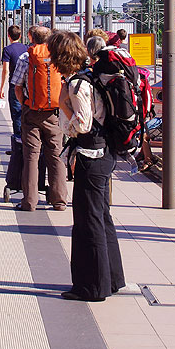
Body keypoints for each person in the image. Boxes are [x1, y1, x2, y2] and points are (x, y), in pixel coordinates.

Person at [56, 33, 125, 301]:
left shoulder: (76, 84)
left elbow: (82, 124)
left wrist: (64, 111)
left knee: (88, 221)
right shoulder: (89, 75)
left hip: (91, 154)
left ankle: (91, 287)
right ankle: (112, 279)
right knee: (102, 216)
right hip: (103, 152)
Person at [13, 25, 67, 211]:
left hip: (32, 111)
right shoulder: (58, 56)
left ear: (30, 37)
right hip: (54, 113)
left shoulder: (26, 57)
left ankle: (29, 202)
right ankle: (59, 201)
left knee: (31, 157)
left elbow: (17, 87)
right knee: (56, 156)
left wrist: (26, 104)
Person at [137, 82, 175, 171]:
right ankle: (146, 156)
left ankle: (148, 160)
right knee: (144, 134)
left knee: (143, 137)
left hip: (171, 129)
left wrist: (172, 118)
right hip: (169, 128)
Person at [0, 25, 29, 149]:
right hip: (26, 85)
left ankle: (18, 146)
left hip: (14, 84)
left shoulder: (7, 50)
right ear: (20, 36)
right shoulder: (26, 48)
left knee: (16, 114)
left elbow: (6, 70)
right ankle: (27, 140)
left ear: (8, 36)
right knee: (25, 112)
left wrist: (1, 88)